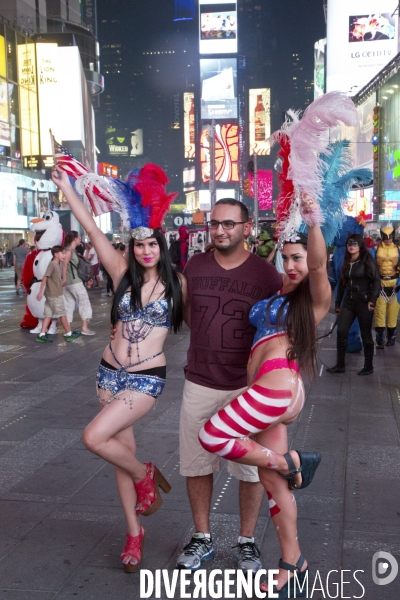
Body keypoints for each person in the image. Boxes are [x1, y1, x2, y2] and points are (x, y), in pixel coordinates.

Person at [51, 162, 185, 573]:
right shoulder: (121, 272)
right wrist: (66, 187)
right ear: (131, 247)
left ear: (161, 246)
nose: (145, 251)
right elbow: (91, 228)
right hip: (108, 373)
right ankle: (134, 533)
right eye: (138, 245)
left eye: (152, 245)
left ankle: (146, 474)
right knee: (118, 452)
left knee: (94, 437)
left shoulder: (178, 283)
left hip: (145, 378)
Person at [198, 195, 331, 597]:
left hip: (277, 388)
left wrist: (312, 221)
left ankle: (289, 461)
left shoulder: (312, 300)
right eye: (287, 258)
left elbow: (320, 264)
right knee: (275, 485)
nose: (293, 266)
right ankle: (293, 561)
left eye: (299, 259)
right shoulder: (278, 294)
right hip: (268, 392)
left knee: (212, 436)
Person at [177, 198, 283, 574]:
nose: (220, 231)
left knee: (250, 470)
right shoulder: (195, 265)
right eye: (215, 224)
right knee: (195, 465)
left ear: (246, 227)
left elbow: (278, 327)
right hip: (200, 381)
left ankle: (247, 541)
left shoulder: (267, 275)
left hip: (246, 387)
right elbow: (189, 314)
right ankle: (202, 537)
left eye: (229, 224)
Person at [326, 234, 380, 376]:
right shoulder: (346, 261)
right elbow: (342, 284)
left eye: (355, 243)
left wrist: (373, 300)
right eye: (349, 243)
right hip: (348, 302)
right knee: (342, 331)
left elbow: (376, 281)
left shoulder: (367, 260)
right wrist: (337, 303)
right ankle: (340, 365)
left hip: (364, 301)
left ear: (360, 245)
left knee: (366, 334)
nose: (352, 246)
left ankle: (368, 366)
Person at [35, 245, 81, 343]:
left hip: (51, 294)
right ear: (56, 254)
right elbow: (45, 277)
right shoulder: (52, 264)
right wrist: (40, 292)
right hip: (55, 295)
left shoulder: (56, 264)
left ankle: (42, 334)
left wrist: (60, 282)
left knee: (48, 314)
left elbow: (51, 279)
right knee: (62, 314)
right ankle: (69, 334)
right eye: (62, 253)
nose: (64, 255)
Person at [370, 226, 400, 348]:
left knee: (393, 313)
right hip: (380, 283)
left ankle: (391, 337)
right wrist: (376, 282)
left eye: (390, 236)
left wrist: (398, 284)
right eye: (385, 236)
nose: (388, 239)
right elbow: (371, 268)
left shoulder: (398, 250)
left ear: (393, 236)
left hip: (395, 283)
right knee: (380, 313)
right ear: (382, 236)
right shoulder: (375, 250)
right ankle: (380, 339)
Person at [62, 231, 95, 336]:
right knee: (84, 302)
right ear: (75, 239)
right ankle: (84, 328)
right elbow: (64, 265)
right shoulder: (69, 251)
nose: (80, 239)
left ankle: (68, 330)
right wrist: (64, 278)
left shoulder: (70, 251)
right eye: (79, 237)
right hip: (74, 282)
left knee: (69, 305)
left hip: (68, 283)